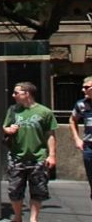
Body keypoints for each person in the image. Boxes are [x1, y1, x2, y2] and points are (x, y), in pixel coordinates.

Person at [3, 80, 56, 222]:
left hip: (38, 156)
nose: (13, 95)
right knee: (14, 190)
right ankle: (18, 216)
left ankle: (34, 218)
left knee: (38, 191)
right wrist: (9, 130)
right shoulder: (13, 110)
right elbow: (5, 127)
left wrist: (51, 155)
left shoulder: (45, 112)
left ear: (27, 94)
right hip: (16, 157)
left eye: (16, 92)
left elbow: (50, 134)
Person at [70, 78, 92, 209]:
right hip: (89, 147)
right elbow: (72, 120)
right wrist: (77, 139)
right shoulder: (81, 104)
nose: (83, 90)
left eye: (87, 87)